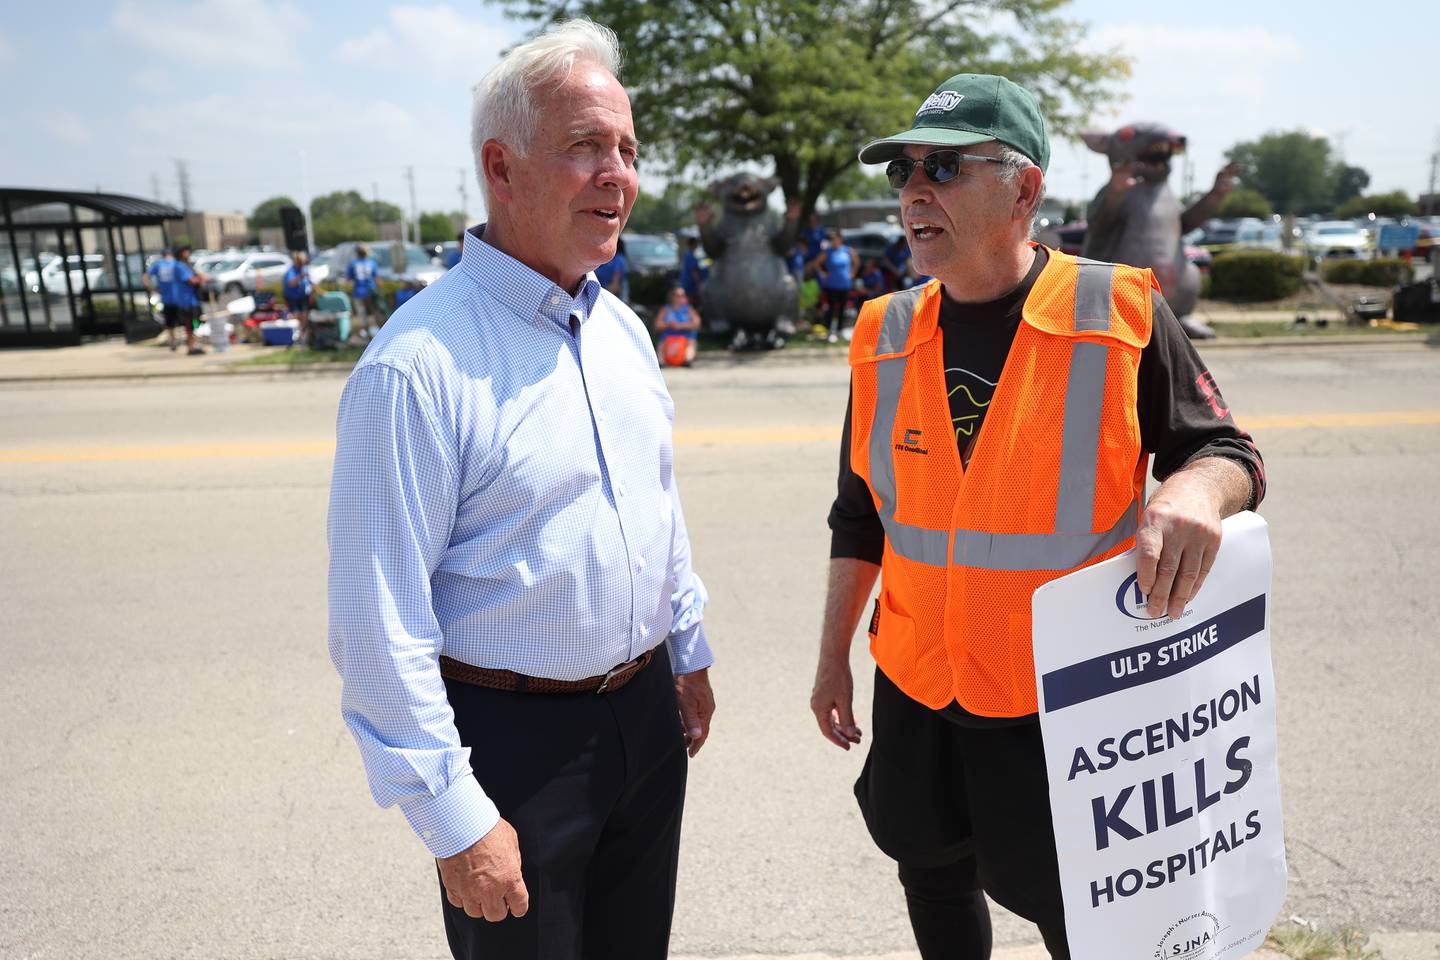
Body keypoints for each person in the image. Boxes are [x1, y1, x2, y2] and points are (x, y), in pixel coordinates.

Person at [809, 74, 1266, 960]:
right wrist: (833, 658)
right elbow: (858, 512)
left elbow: (1230, 454)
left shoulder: (1120, 311)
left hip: (1061, 699)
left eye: (942, 166)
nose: (913, 190)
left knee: (1080, 916)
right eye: (904, 169)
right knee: (930, 874)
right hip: (917, 678)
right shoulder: (883, 330)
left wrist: (1193, 491)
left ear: (1023, 188)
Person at [327, 20, 716, 960]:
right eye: (586, 147)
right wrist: (457, 820)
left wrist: (688, 647)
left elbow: (654, 508)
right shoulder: (418, 367)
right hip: (512, 752)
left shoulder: (621, 330)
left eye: (626, 148)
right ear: (502, 169)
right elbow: (377, 626)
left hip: (643, 721)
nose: (618, 173)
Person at [1080, 123, 1240, 340]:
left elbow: (1184, 224)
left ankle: (1176, 317)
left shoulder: (1166, 195)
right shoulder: (1117, 191)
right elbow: (1098, 224)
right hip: (1116, 300)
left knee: (1191, 274)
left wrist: (1215, 195)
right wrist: (1115, 194)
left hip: (1170, 297)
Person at [809, 227, 857, 342]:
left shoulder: (847, 250)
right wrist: (823, 273)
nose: (834, 241)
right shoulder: (828, 252)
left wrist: (852, 273)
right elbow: (816, 263)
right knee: (831, 308)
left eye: (835, 238)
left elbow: (857, 262)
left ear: (840, 239)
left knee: (842, 307)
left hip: (845, 284)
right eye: (832, 239)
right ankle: (829, 330)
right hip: (831, 285)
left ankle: (840, 330)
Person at [144, 247, 194, 353]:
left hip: (166, 298)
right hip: (181, 298)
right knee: (185, 320)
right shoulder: (177, 264)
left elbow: (146, 277)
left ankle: (173, 341)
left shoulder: (158, 265)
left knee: (169, 322)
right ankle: (188, 342)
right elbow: (189, 279)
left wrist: (152, 289)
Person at [655, 285, 701, 366]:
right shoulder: (666, 309)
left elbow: (696, 323)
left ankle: (687, 360)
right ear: (672, 296)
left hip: (685, 335)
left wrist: (680, 326)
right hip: (669, 334)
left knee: (691, 341)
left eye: (682, 295)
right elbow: (658, 324)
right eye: (677, 295)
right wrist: (668, 325)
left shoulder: (688, 309)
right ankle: (661, 361)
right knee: (661, 341)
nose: (680, 297)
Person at [346, 243, 383, 339]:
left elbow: (348, 279)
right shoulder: (371, 263)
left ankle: (365, 332)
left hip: (358, 291)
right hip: (370, 290)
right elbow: (377, 278)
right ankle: (380, 331)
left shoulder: (353, 263)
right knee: (375, 312)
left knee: (362, 314)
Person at [282, 250, 313, 345]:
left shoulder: (304, 269)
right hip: (292, 297)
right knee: (296, 315)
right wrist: (300, 277)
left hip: (303, 296)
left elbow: (309, 282)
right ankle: (296, 335)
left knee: (305, 315)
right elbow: (290, 283)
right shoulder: (291, 271)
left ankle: (302, 335)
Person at [595, 235, 629, 301]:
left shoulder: (619, 259)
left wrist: (611, 294)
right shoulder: (607, 257)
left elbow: (616, 276)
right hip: (603, 287)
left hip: (612, 289)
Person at [680, 235, 706, 306]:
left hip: (689, 284)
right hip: (691, 285)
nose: (697, 246)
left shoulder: (690, 254)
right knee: (692, 303)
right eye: (697, 243)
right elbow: (694, 271)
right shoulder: (690, 255)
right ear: (694, 244)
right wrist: (699, 284)